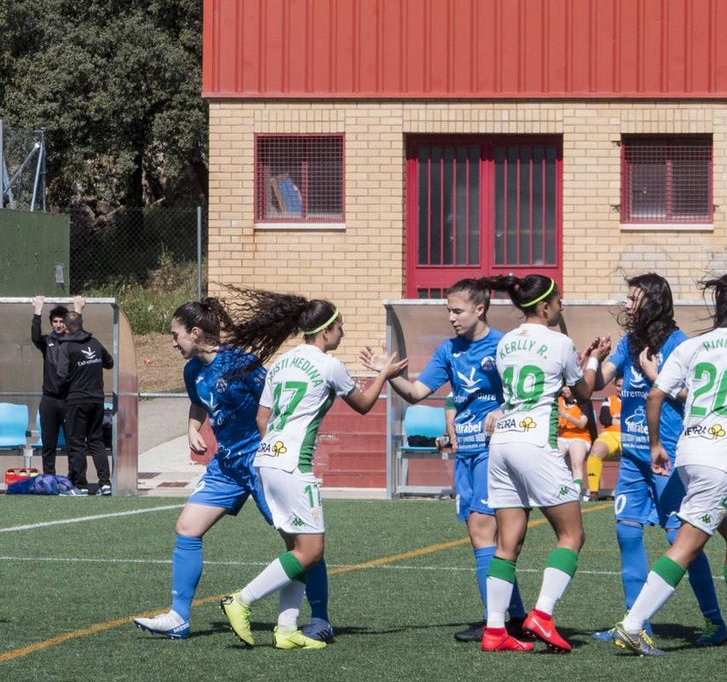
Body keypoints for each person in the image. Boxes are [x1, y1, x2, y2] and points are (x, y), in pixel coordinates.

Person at [610, 269, 727, 656]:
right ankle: (632, 626)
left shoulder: (694, 345)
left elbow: (655, 395)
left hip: (688, 453)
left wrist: (656, 444)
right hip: (718, 461)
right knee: (686, 546)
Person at [133, 298, 333, 641]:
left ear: (195, 333)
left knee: (301, 543)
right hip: (226, 466)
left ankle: (320, 618)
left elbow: (275, 403)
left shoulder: (240, 364)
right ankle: (179, 617)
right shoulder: (192, 370)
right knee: (187, 527)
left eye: (175, 334)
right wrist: (192, 427)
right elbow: (199, 403)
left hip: (259, 462)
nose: (172, 342)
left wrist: (279, 448)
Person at [219, 292, 405, 649]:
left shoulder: (282, 362)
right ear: (325, 332)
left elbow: (262, 418)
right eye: (340, 327)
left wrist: (277, 447)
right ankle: (241, 600)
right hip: (293, 465)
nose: (342, 333)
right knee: (311, 551)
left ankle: (286, 629)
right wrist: (384, 373)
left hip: (267, 459)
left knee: (296, 548)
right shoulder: (327, 364)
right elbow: (364, 405)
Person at [368, 278, 528, 643]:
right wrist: (388, 375)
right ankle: (514, 616)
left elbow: (524, 392)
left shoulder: (503, 346)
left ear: (480, 309)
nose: (451, 318)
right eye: (448, 311)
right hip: (465, 454)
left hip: (493, 451)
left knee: (482, 531)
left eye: (457, 311)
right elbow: (416, 392)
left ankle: (495, 622)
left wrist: (503, 410)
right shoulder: (448, 350)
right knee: (483, 536)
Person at [584, 273, 727, 647]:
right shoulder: (628, 343)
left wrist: (656, 376)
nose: (627, 305)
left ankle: (715, 622)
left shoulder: (682, 345)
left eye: (633, 299)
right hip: (633, 458)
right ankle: (637, 623)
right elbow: (598, 382)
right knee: (626, 533)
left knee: (681, 540)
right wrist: (594, 360)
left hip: (668, 458)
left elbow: (698, 398)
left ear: (654, 302)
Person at [477, 273, 608, 653]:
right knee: (571, 535)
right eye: (559, 301)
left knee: (508, 543)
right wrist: (594, 360)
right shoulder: (560, 342)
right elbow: (583, 392)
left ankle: (495, 630)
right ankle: (542, 614)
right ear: (546, 305)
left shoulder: (505, 342)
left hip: (502, 441)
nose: (562, 306)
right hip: (535, 441)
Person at [58, 309, 113, 495]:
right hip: (97, 399)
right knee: (96, 441)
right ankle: (105, 483)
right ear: (81, 324)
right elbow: (109, 362)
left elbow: (61, 375)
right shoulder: (95, 343)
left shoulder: (66, 346)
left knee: (76, 442)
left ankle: (79, 485)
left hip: (76, 400)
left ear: (66, 327)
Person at [31, 296, 81, 481]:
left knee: (73, 443)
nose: (58, 325)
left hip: (68, 400)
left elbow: (80, 333)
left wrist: (78, 309)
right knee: (48, 443)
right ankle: (49, 479)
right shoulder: (47, 342)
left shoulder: (73, 341)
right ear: (51, 323)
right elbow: (35, 337)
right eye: (55, 321)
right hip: (49, 400)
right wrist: (38, 311)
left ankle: (74, 480)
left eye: (62, 321)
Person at [583, 377, 621, 500]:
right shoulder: (609, 400)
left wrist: (615, 419)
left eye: (623, 385)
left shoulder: (637, 400)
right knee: (596, 451)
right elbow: (604, 419)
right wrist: (621, 420)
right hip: (609, 435)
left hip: (630, 435)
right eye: (618, 386)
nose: (621, 389)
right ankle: (594, 492)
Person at [557, 386, 592, 489]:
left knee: (576, 462)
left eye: (568, 387)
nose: (565, 389)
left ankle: (577, 490)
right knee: (556, 458)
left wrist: (565, 415)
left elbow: (582, 424)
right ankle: (560, 487)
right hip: (562, 437)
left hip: (580, 437)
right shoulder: (558, 401)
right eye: (564, 387)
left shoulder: (583, 402)